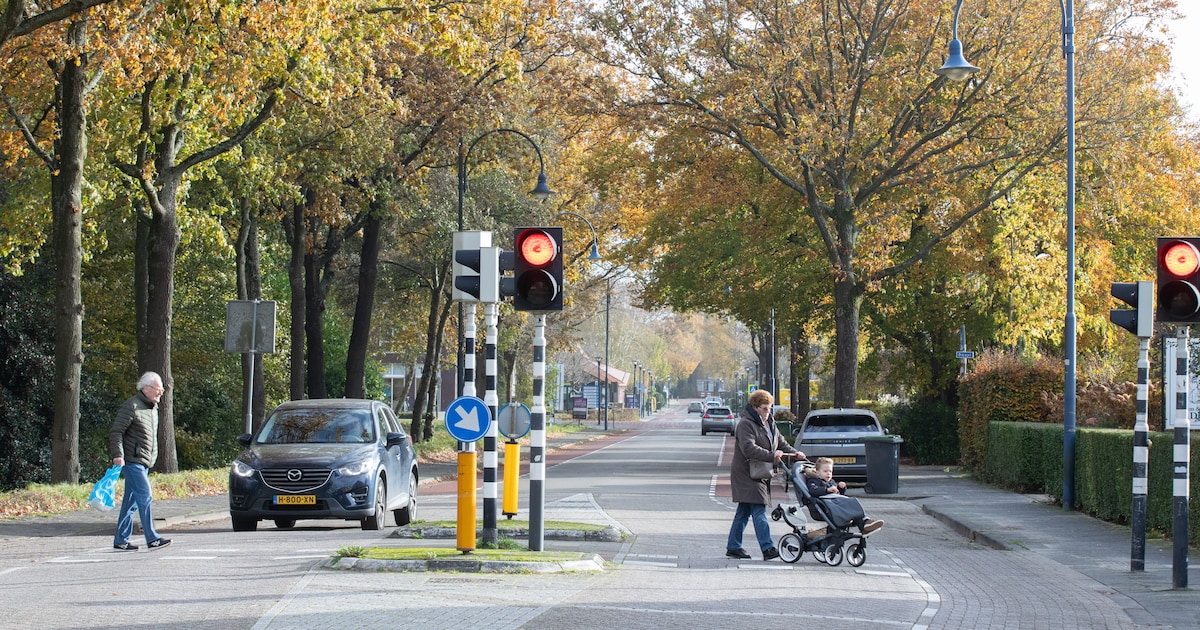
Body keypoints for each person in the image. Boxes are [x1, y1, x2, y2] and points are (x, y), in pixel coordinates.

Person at [726, 389, 803, 561]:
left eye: (770, 408)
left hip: (760, 472)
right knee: (759, 509)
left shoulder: (770, 423)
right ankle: (767, 548)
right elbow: (748, 448)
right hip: (747, 473)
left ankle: (733, 546)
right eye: (765, 408)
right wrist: (771, 455)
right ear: (755, 407)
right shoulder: (746, 424)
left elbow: (780, 443)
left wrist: (795, 453)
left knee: (744, 511)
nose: (768, 412)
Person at [109, 371, 172, 551]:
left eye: (162, 390)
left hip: (144, 462)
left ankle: (120, 540)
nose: (161, 393)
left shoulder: (151, 407)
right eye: (158, 390)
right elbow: (116, 432)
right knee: (145, 496)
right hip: (132, 461)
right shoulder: (132, 406)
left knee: (131, 502)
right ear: (145, 388)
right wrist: (118, 455)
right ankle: (152, 538)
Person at [804, 457, 884, 535]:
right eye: (825, 471)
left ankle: (865, 523)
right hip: (824, 507)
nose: (828, 473)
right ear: (817, 472)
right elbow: (813, 491)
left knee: (852, 504)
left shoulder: (831, 482)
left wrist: (841, 488)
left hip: (834, 504)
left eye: (830, 471)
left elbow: (838, 494)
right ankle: (864, 524)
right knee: (849, 504)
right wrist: (827, 490)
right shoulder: (813, 481)